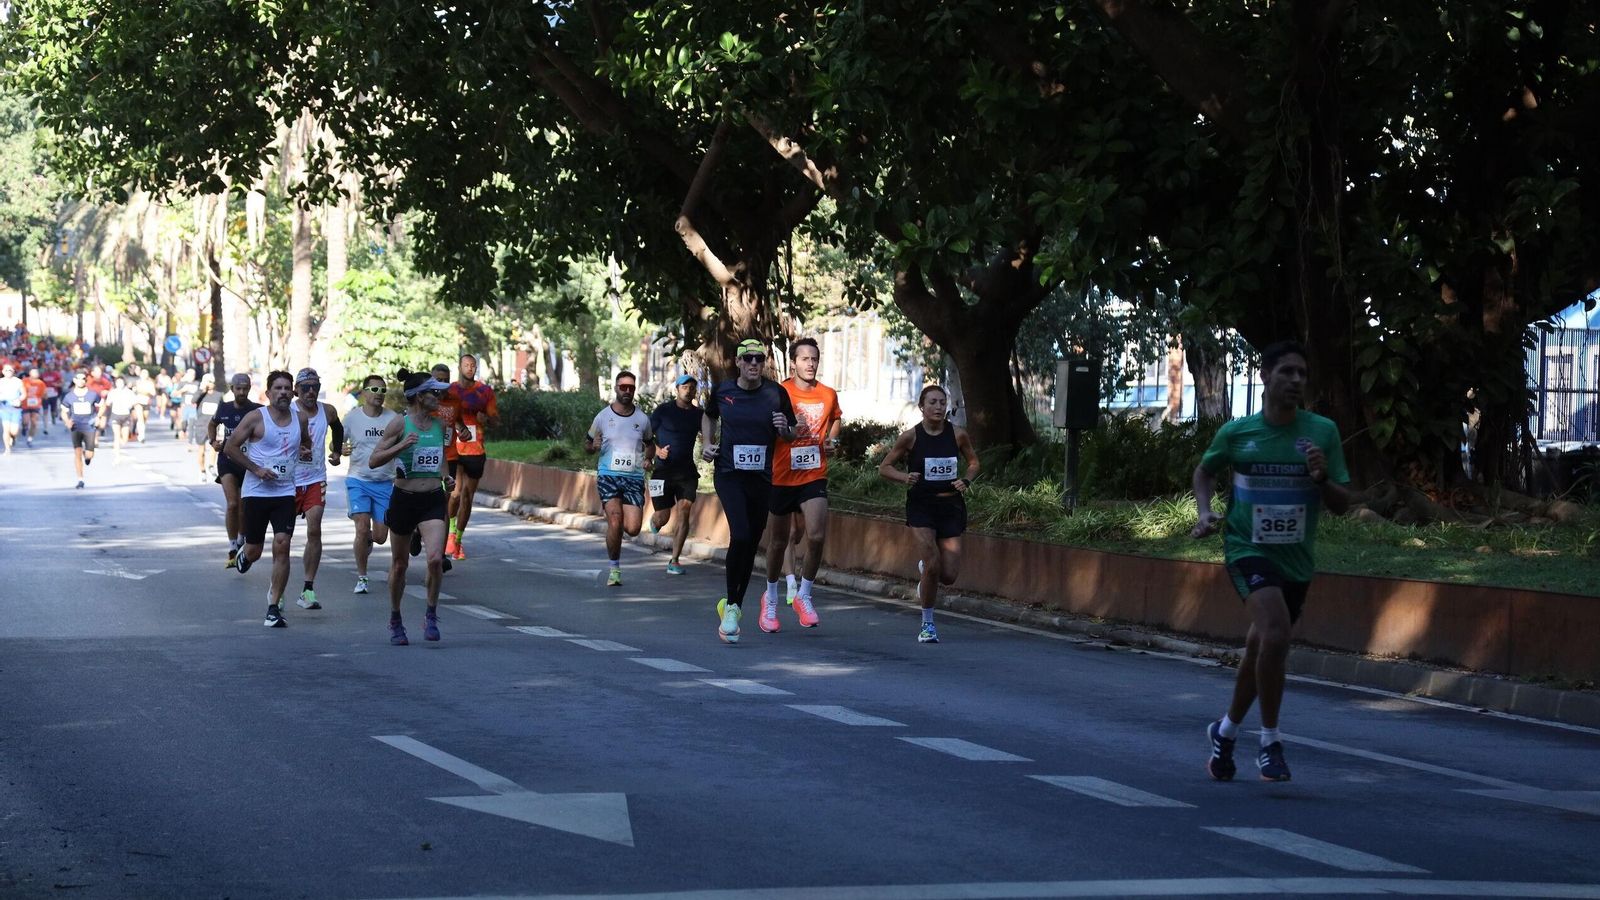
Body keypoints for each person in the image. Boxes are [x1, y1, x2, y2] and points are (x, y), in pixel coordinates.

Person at [1192, 340, 1351, 783]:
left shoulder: (1322, 433)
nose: (1296, 381)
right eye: (1287, 372)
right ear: (1265, 376)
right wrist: (1205, 512)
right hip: (1247, 547)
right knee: (1276, 632)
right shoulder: (1238, 433)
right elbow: (1204, 471)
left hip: (1296, 560)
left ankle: (1224, 733)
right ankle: (1270, 740)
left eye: (1302, 374)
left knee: (1264, 645)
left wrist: (1320, 476)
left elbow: (1341, 503)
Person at [701, 338, 796, 644]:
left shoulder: (776, 393)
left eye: (759, 359)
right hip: (729, 475)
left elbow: (791, 434)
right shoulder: (724, 390)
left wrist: (784, 429)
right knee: (740, 535)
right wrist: (706, 444)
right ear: (738, 363)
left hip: (762, 479)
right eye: (749, 359)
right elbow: (708, 415)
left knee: (751, 542)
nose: (754, 364)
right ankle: (731, 606)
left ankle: (733, 607)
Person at [878, 384, 980, 644]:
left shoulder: (958, 435)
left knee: (948, 575)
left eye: (942, 402)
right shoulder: (910, 437)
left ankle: (927, 572)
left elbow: (974, 462)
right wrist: (904, 477)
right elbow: (885, 467)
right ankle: (927, 624)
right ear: (922, 407)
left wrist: (966, 481)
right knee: (934, 564)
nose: (938, 407)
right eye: (932, 402)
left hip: (950, 506)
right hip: (922, 504)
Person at [367, 370, 455, 645]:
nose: (438, 396)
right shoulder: (399, 424)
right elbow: (374, 460)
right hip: (404, 500)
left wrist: (445, 476)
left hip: (432, 499)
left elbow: (439, 457)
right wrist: (401, 446)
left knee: (435, 559)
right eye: (433, 392)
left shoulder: (441, 423)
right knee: (400, 564)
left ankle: (430, 613)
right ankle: (395, 618)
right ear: (418, 397)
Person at [760, 337, 840, 632]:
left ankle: (804, 595)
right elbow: (767, 428)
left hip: (813, 474)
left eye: (814, 359)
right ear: (793, 362)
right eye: (805, 359)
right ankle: (769, 596)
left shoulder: (828, 394)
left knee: (816, 536)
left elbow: (835, 419)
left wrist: (833, 439)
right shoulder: (779, 392)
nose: (810, 364)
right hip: (781, 476)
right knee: (780, 542)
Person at [223, 370, 300, 627]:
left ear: (292, 392)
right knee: (255, 550)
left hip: (285, 492)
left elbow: (306, 444)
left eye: (287, 388)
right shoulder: (256, 418)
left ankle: (273, 606)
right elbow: (230, 447)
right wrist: (256, 469)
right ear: (268, 393)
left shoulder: (299, 420)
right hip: (256, 493)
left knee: (282, 543)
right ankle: (246, 555)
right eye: (277, 388)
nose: (283, 392)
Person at [585, 371, 655, 587]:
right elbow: (587, 444)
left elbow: (650, 444)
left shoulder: (642, 419)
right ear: (616, 388)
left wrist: (648, 459)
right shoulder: (603, 417)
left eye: (631, 388)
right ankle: (614, 568)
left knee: (632, 528)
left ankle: (617, 539)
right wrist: (592, 446)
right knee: (615, 519)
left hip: (634, 477)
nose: (627, 391)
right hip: (609, 475)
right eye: (623, 387)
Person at [289, 367, 344, 611]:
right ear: (295, 391)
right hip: (288, 481)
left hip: (315, 478)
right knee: (283, 537)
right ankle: (277, 590)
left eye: (315, 387)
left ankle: (308, 588)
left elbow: (338, 428)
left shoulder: (327, 410)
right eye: (305, 387)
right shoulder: (287, 411)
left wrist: (336, 450)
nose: (311, 392)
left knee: (314, 530)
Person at [343, 375, 399, 594]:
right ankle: (362, 577)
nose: (378, 393)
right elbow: (337, 442)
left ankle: (367, 539)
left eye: (382, 390)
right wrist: (339, 449)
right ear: (364, 393)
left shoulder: (393, 418)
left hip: (384, 482)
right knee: (361, 527)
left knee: (380, 537)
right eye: (374, 389)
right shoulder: (352, 418)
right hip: (358, 479)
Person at [647, 374, 703, 575]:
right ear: (677, 389)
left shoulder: (698, 414)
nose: (688, 391)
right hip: (662, 471)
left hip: (687, 471)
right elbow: (645, 436)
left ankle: (675, 560)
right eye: (685, 387)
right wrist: (657, 450)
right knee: (663, 516)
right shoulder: (663, 411)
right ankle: (655, 521)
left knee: (684, 511)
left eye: (692, 388)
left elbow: (708, 433)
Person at [443, 354, 497, 560]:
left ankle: (458, 540)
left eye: (473, 366)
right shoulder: (451, 391)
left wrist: (486, 419)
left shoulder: (484, 392)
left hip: (475, 450)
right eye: (466, 365)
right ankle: (450, 533)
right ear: (460, 367)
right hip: (453, 450)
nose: (470, 368)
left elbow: (495, 421)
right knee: (454, 494)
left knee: (467, 496)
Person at [209, 373, 262, 569]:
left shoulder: (257, 410)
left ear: (250, 388)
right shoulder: (224, 408)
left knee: (244, 506)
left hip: (249, 463)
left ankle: (241, 540)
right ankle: (233, 546)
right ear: (232, 389)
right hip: (227, 461)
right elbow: (212, 424)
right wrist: (213, 441)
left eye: (245, 388)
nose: (241, 392)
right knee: (232, 504)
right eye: (238, 388)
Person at [60, 371, 104, 488]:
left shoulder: (92, 395)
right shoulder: (69, 396)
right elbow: (64, 411)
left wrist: (98, 417)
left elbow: (102, 405)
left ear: (86, 380)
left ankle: (87, 455)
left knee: (89, 454)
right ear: (74, 381)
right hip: (76, 426)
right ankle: (80, 479)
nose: (81, 381)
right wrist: (67, 421)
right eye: (78, 379)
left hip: (89, 426)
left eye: (83, 378)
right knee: (77, 453)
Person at [192, 374, 223, 480]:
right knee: (201, 450)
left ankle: (211, 465)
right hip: (201, 425)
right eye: (207, 381)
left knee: (214, 447)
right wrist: (201, 390)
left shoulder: (218, 395)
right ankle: (202, 470)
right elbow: (193, 400)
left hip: (214, 426)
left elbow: (222, 408)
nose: (209, 384)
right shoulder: (200, 394)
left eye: (211, 382)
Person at [107, 375, 139, 462]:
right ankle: (117, 455)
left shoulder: (129, 392)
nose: (119, 384)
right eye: (118, 382)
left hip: (126, 416)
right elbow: (108, 403)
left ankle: (119, 443)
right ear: (115, 383)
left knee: (124, 439)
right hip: (115, 415)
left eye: (121, 382)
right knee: (116, 435)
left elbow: (135, 402)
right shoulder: (113, 392)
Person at [0, 363, 22, 455]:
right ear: (3, 372)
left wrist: (19, 399)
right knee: (6, 429)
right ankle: (7, 449)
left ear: (13, 372)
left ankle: (13, 437)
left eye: (10, 370)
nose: (8, 372)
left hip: (15, 408)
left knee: (14, 431)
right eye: (6, 370)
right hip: (4, 408)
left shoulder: (18, 381)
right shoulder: (0, 382)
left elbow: (24, 394)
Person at [21, 367, 46, 447]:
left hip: (36, 404)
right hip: (25, 404)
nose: (36, 374)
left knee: (34, 423)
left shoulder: (41, 383)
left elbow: (44, 394)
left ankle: (30, 439)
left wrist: (44, 396)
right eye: (34, 372)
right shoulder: (24, 381)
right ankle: (24, 427)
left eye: (37, 372)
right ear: (30, 373)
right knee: (26, 421)